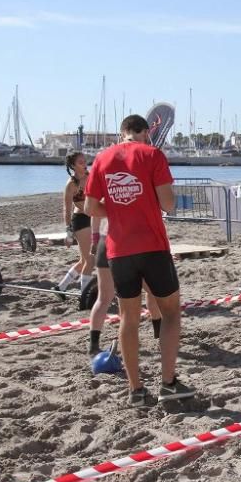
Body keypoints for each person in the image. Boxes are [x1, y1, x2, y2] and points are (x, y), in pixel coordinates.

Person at [85, 114, 193, 407]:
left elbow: (91, 207)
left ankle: (136, 390)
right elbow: (168, 203)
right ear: (144, 133)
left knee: (128, 317)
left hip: (119, 250)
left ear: (122, 134)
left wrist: (120, 210)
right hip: (152, 245)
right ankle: (168, 383)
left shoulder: (102, 159)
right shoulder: (152, 154)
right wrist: (142, 204)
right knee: (170, 312)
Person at [87, 215, 165, 356]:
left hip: (106, 240)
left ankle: (93, 345)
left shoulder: (107, 194)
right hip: (130, 244)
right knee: (153, 290)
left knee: (103, 298)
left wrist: (95, 239)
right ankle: (158, 334)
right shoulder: (139, 194)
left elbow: (95, 212)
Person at [53, 152, 94, 296]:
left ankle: (61, 288)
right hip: (81, 220)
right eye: (80, 162)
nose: (84, 164)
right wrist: (68, 232)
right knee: (90, 259)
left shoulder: (91, 176)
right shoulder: (71, 184)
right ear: (73, 166)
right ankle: (85, 295)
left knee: (84, 261)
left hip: (94, 218)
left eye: (85, 161)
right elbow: (67, 208)